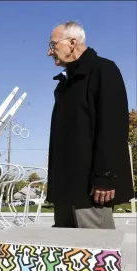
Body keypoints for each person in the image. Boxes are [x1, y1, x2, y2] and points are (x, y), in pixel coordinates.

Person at [46, 21, 133, 229]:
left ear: (72, 42)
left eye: (53, 45)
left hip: (91, 191)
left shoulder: (103, 70)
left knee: (96, 253)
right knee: (64, 255)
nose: (49, 52)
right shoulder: (66, 82)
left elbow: (113, 126)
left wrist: (105, 176)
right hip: (65, 189)